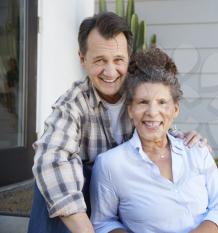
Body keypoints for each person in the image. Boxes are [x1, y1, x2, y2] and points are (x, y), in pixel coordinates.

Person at [27, 12, 208, 233]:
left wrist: (186, 141)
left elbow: (160, 129)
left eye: (118, 60)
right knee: (51, 180)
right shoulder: (72, 104)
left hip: (135, 194)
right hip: (90, 203)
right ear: (83, 59)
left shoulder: (141, 93)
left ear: (129, 59)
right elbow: (50, 156)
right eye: (100, 60)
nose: (111, 72)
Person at [90, 48, 218, 233]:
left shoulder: (196, 150)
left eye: (162, 102)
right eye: (143, 102)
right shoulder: (111, 164)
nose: (152, 112)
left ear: (175, 109)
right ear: (130, 110)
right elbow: (104, 223)